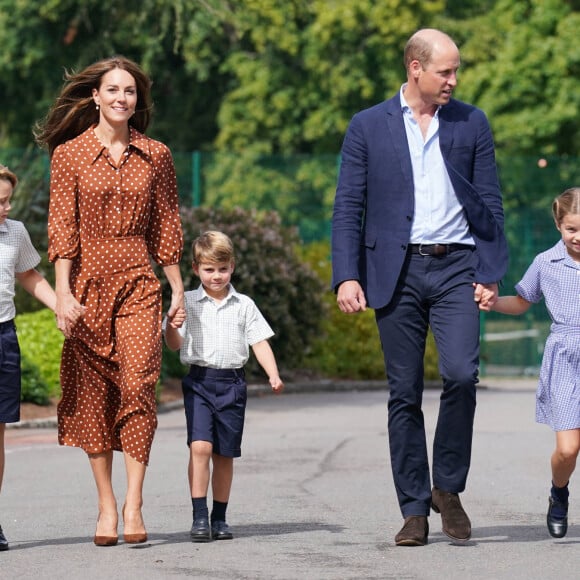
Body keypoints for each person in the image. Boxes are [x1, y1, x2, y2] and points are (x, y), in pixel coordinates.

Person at [331, 28, 508, 546]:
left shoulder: (472, 122)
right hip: (396, 271)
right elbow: (348, 207)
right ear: (415, 67)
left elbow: (490, 201)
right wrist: (347, 274)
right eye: (445, 71)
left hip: (457, 266)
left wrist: (489, 270)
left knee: (459, 375)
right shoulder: (367, 126)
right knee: (403, 393)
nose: (453, 80)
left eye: (456, 71)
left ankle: (446, 489)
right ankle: (413, 508)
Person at [34, 56, 185, 547]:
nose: (122, 98)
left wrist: (178, 286)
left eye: (130, 92)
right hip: (86, 285)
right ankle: (104, 506)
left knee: (140, 382)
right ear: (95, 96)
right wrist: (62, 294)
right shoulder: (70, 155)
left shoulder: (156, 154)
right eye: (113, 90)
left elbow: (166, 224)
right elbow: (62, 229)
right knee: (94, 395)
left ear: (138, 101)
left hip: (140, 282)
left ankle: (134, 501)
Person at [164, 230, 284, 542]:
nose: (216, 276)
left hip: (232, 383)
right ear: (195, 269)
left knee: (224, 454)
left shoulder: (244, 304)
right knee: (200, 447)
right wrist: (172, 326)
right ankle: (199, 515)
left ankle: (219, 516)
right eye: (209, 270)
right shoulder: (187, 302)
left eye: (222, 269)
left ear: (232, 267)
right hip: (200, 381)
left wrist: (273, 374)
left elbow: (259, 342)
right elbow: (174, 344)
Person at [491, 187, 580, 539]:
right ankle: (559, 493)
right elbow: (522, 301)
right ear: (559, 224)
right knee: (568, 448)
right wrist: (491, 301)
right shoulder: (546, 262)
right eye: (572, 228)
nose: (579, 236)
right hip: (565, 358)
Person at [0, 164, 58, 551]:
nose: (4, 208)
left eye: (7, 200)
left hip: (3, 335)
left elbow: (30, 276)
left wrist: (60, 306)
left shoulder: (14, 231)